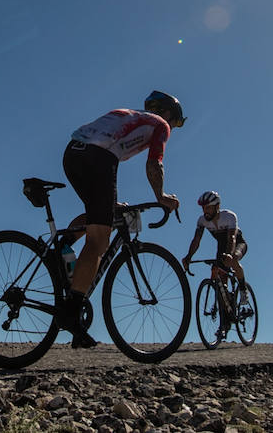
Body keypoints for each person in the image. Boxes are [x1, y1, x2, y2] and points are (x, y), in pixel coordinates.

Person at [57, 90, 185, 348]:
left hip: (72, 152)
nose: (172, 128)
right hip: (99, 159)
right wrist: (160, 196)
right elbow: (154, 163)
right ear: (168, 114)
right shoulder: (160, 125)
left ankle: (63, 249)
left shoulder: (131, 115)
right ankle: (70, 313)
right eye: (175, 123)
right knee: (99, 241)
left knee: (98, 215)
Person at [181, 190, 249, 338]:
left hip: (236, 244)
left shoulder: (229, 216)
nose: (205, 211)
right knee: (220, 284)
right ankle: (225, 322)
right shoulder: (202, 220)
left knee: (233, 260)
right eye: (203, 208)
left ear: (217, 206)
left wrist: (230, 255)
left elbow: (231, 237)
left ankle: (243, 289)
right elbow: (196, 240)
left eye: (208, 207)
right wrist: (188, 256)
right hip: (221, 248)